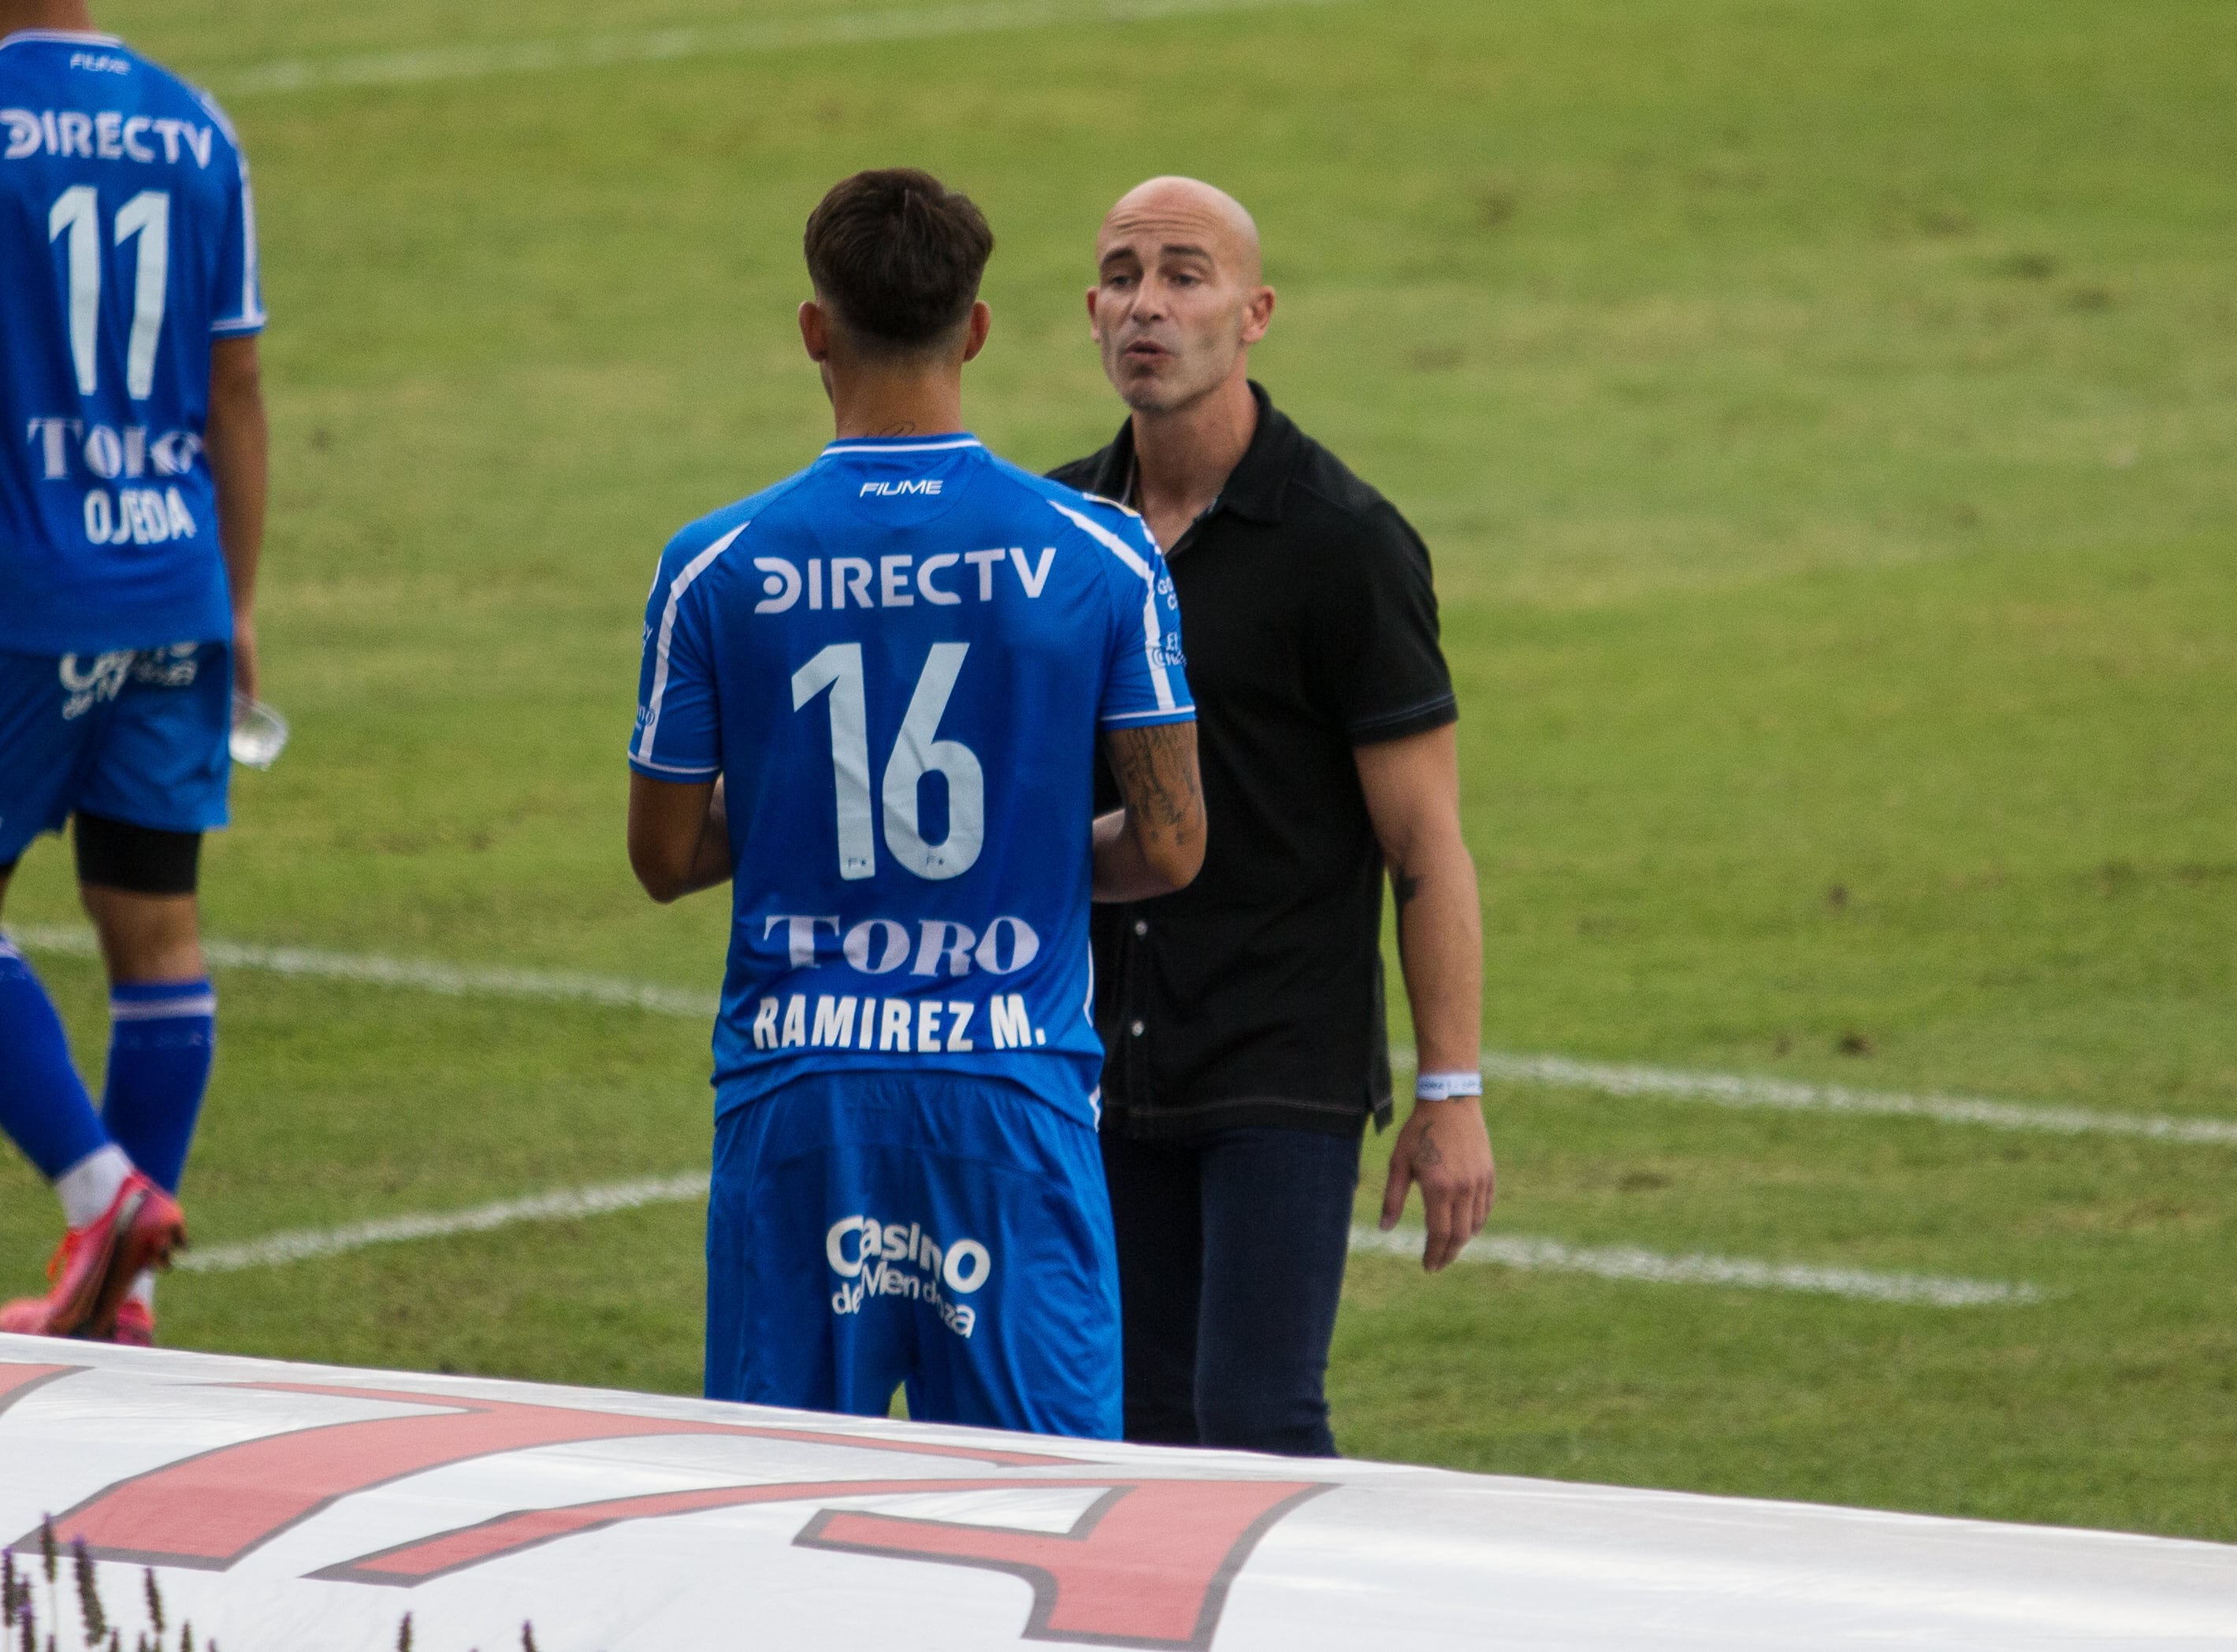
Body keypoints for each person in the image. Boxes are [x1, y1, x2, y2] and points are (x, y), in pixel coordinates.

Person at [627, 169, 1204, 1439]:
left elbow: (664, 856)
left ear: (815, 330)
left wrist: (795, 822)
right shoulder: (1105, 556)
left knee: (774, 1507)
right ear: (980, 329)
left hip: (799, 1092)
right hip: (1009, 1092)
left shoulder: (714, 563)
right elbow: (1170, 845)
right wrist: (1026, 849)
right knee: (1038, 1519)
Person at [1049, 177, 1495, 1456]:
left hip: (1275, 1068)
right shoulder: (1056, 530)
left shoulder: (1344, 545)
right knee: (1129, 1428)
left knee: (1254, 1421)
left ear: (1255, 315)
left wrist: (1449, 1089)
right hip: (1089, 1065)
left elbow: (1426, 845)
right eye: (1123, 275)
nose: (1149, 303)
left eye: (1185, 275)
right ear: (1090, 314)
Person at [0, 1, 269, 1345]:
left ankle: (102, 1195)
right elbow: (237, 389)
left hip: (24, 592)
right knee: (155, 929)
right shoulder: (194, 122)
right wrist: (240, 593)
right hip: (174, 578)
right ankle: (129, 1298)